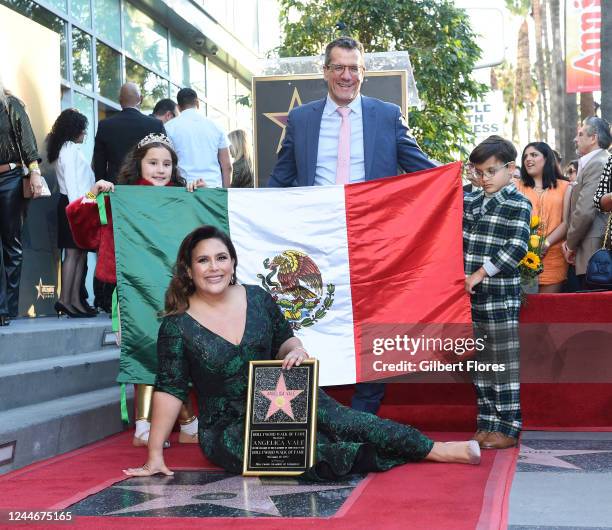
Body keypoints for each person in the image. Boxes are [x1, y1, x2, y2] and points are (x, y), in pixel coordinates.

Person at [123, 225, 481, 481]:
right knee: (301, 454)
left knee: (347, 421)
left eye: (221, 258)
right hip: (228, 429)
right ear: (188, 269)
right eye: (203, 261)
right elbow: (171, 389)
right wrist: (155, 454)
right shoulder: (177, 325)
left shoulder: (259, 298)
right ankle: (384, 455)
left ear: (233, 262)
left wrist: (297, 351)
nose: (213, 267)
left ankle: (434, 448)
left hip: (284, 396)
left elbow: (287, 341)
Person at [268, 36, 435, 414]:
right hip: (315, 238)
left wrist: (461, 186)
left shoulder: (387, 115)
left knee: (372, 322)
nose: (347, 75)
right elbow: (280, 181)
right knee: (314, 317)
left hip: (373, 238)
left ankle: (364, 414)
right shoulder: (301, 118)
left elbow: (421, 169)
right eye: (339, 67)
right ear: (325, 71)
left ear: (364, 73)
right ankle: (311, 409)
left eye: (354, 68)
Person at [67, 133, 204, 446]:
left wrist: (199, 196)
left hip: (177, 294)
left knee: (177, 354)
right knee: (145, 349)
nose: (160, 169)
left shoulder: (182, 197)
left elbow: (206, 234)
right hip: (133, 294)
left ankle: (184, 422)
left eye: (166, 164)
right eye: (153, 162)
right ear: (139, 165)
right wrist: (94, 194)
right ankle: (148, 426)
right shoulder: (122, 199)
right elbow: (82, 229)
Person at [463, 135, 531, 450]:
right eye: (478, 172)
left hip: (500, 296)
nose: (484, 178)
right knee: (482, 365)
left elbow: (516, 247)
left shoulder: (519, 203)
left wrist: (478, 273)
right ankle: (487, 423)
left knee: (503, 364)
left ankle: (508, 426)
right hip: (472, 299)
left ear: (510, 169)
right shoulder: (470, 199)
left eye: (491, 171)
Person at [92, 82, 165, 313]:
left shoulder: (105, 126)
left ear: (119, 100)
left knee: (114, 247)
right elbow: (165, 157)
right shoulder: (154, 124)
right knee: (144, 245)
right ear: (140, 99)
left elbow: (98, 164)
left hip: (116, 194)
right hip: (147, 196)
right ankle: (143, 297)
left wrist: (103, 188)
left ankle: (107, 300)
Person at [0, 79, 43, 326]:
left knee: (10, 242)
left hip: (10, 179)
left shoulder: (11, 104)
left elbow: (27, 141)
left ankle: (7, 308)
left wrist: (35, 172)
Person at [46, 109, 97, 318]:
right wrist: (82, 209)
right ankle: (65, 300)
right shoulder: (68, 149)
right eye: (83, 130)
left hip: (77, 203)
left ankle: (74, 299)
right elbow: (75, 184)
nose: (84, 135)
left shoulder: (66, 148)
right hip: (74, 204)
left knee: (79, 254)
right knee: (73, 254)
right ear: (74, 129)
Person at [562, 117, 612, 290]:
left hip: (595, 252)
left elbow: (585, 211)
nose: (575, 139)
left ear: (593, 138)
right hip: (591, 249)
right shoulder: (595, 162)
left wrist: (570, 244)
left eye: (580, 134)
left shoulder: (599, 163)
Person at [516, 142, 571, 293]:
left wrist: (545, 244)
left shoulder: (565, 186)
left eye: (534, 155)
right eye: (525, 156)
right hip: (522, 256)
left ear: (547, 159)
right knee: (526, 311)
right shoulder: (517, 186)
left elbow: (566, 222)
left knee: (548, 310)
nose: (528, 159)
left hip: (553, 256)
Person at [165, 88, 232, 188]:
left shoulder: (169, 127)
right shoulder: (216, 126)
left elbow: (167, 161)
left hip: (184, 188)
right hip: (213, 188)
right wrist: (225, 194)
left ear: (178, 107)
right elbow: (227, 166)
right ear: (198, 103)